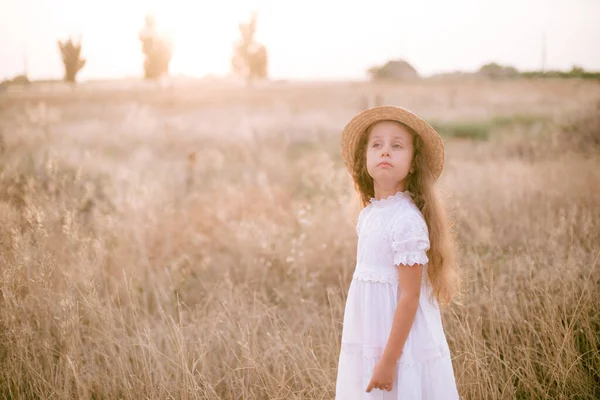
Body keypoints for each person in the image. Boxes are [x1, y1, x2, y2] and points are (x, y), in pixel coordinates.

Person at [335, 105, 461, 399]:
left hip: (400, 345)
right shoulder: (370, 214)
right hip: (372, 334)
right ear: (363, 159)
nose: (385, 152)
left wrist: (389, 361)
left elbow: (409, 296)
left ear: (414, 163)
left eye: (397, 146)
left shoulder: (406, 221)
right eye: (376, 144)